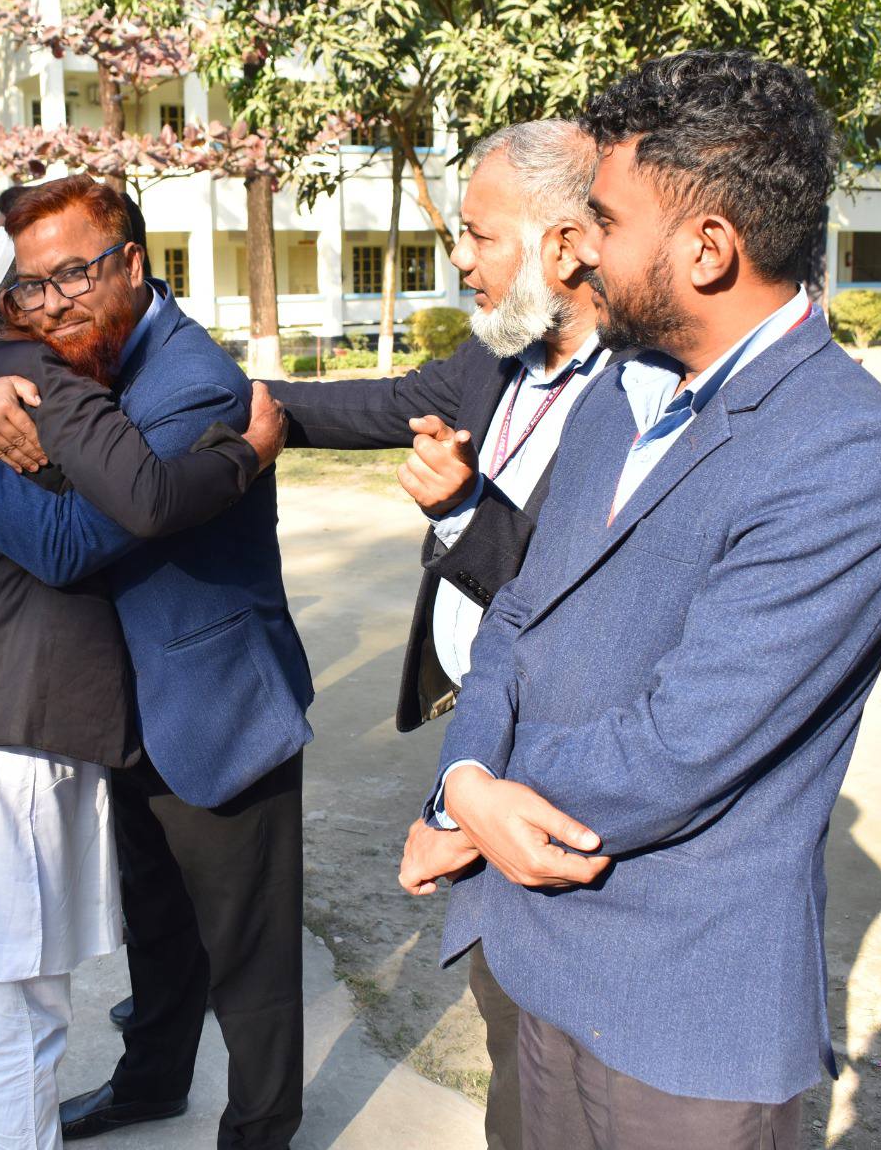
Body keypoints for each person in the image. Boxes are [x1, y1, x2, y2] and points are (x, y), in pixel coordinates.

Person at [406, 50, 881, 1150]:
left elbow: (683, 744)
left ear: (707, 247)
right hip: (530, 953)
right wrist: (462, 778)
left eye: (604, 218)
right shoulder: (618, 393)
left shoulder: (850, 455)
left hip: (679, 1016)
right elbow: (518, 614)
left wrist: (478, 807)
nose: (580, 247)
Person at [242, 119, 618, 1150]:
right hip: (481, 733)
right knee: (509, 1023)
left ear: (564, 245)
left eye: (479, 235)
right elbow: (349, 407)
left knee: (557, 1040)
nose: (459, 258)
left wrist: (459, 512)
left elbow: (573, 598)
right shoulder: (496, 362)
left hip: (558, 752)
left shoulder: (640, 392)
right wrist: (190, 397)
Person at [0, 175, 312, 1147]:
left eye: (73, 274)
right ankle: (151, 1083)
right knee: (159, 926)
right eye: (31, 286)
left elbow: (73, 541)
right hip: (128, 708)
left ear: (132, 263)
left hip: (217, 706)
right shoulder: (88, 357)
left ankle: (262, 1129)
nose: (51, 303)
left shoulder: (190, 381)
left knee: (250, 960)